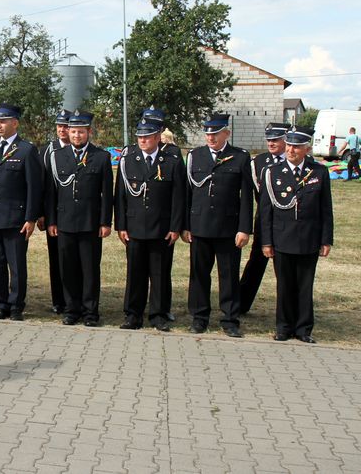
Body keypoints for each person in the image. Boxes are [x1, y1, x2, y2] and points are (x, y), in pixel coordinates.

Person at [260, 126, 333, 344]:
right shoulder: (272, 172)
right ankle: (283, 327)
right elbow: (266, 211)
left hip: (309, 238)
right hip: (282, 238)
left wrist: (326, 239)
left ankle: (303, 329)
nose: (291, 150)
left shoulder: (319, 172)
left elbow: (325, 208)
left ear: (307, 149)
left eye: (297, 146)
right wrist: (266, 242)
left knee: (304, 286)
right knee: (284, 285)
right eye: (289, 145)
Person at [182, 113, 253, 338]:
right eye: (208, 133)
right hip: (200, 226)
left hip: (227, 228)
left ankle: (230, 318)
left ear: (226, 133)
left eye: (216, 133)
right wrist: (185, 225)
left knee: (229, 275)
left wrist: (244, 228)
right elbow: (187, 194)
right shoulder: (195, 156)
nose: (211, 137)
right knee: (199, 274)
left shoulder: (240, 157)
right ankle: (199, 317)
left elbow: (246, 197)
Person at [114, 112, 186, 331]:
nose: (142, 140)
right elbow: (120, 197)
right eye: (139, 137)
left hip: (161, 228)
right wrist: (121, 226)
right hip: (135, 227)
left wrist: (175, 227)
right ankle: (133, 315)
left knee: (160, 274)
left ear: (157, 138)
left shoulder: (171, 161)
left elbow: (178, 197)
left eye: (147, 136)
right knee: (135, 273)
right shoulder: (128, 161)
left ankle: (158, 314)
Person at [44, 110, 112, 327]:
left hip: (90, 223)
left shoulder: (101, 157)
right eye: (73, 131)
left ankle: (91, 311)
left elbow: (107, 193)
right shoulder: (58, 157)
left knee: (90, 269)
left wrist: (105, 222)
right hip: (65, 223)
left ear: (89, 132)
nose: (76, 136)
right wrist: (52, 221)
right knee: (68, 268)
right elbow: (51, 192)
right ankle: (71, 309)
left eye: (80, 132)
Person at [0, 103, 43, 322]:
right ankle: (0, 303)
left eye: (3, 121)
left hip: (15, 218)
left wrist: (31, 217)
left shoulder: (27, 150)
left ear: (15, 123)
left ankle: (16, 305)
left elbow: (34, 187)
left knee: (16, 265)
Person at [238, 122, 289, 314]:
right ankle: (241, 304)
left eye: (275, 139)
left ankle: (286, 310)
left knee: (283, 269)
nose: (271, 143)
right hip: (264, 221)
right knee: (256, 263)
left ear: (285, 140)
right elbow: (257, 194)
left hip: (287, 223)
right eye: (269, 140)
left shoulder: (292, 160)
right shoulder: (258, 162)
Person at [38, 109, 71, 315]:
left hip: (73, 213)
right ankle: (58, 300)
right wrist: (42, 213)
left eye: (65, 126)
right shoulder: (48, 150)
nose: (62, 130)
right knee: (56, 259)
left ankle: (73, 299)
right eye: (59, 126)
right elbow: (42, 185)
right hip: (54, 213)